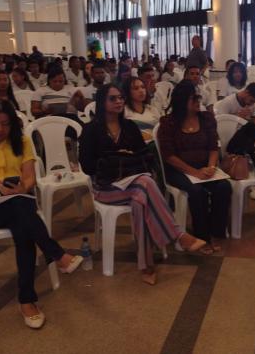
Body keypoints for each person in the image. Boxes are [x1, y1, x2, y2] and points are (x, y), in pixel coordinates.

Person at [0, 98, 83, 329]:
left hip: (17, 199)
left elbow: (29, 179)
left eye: (5, 124)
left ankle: (28, 299)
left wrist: (20, 188)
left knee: (21, 217)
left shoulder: (21, 142)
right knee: (23, 216)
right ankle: (55, 256)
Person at [78, 84, 205, 284]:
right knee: (145, 185)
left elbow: (145, 155)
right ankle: (177, 235)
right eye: (113, 99)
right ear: (102, 102)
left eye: (120, 97)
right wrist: (115, 157)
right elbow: (86, 166)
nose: (119, 101)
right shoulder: (91, 130)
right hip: (106, 187)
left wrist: (131, 157)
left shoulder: (129, 127)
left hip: (133, 183)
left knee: (140, 197)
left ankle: (146, 265)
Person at [158, 81, 231, 254]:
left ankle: (216, 232)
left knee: (223, 187)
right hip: (179, 170)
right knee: (197, 191)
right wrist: (194, 172)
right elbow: (169, 156)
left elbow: (213, 147)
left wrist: (211, 167)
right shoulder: (169, 123)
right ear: (182, 101)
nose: (198, 101)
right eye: (194, 98)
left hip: (205, 168)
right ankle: (202, 236)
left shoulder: (206, 118)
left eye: (198, 97)